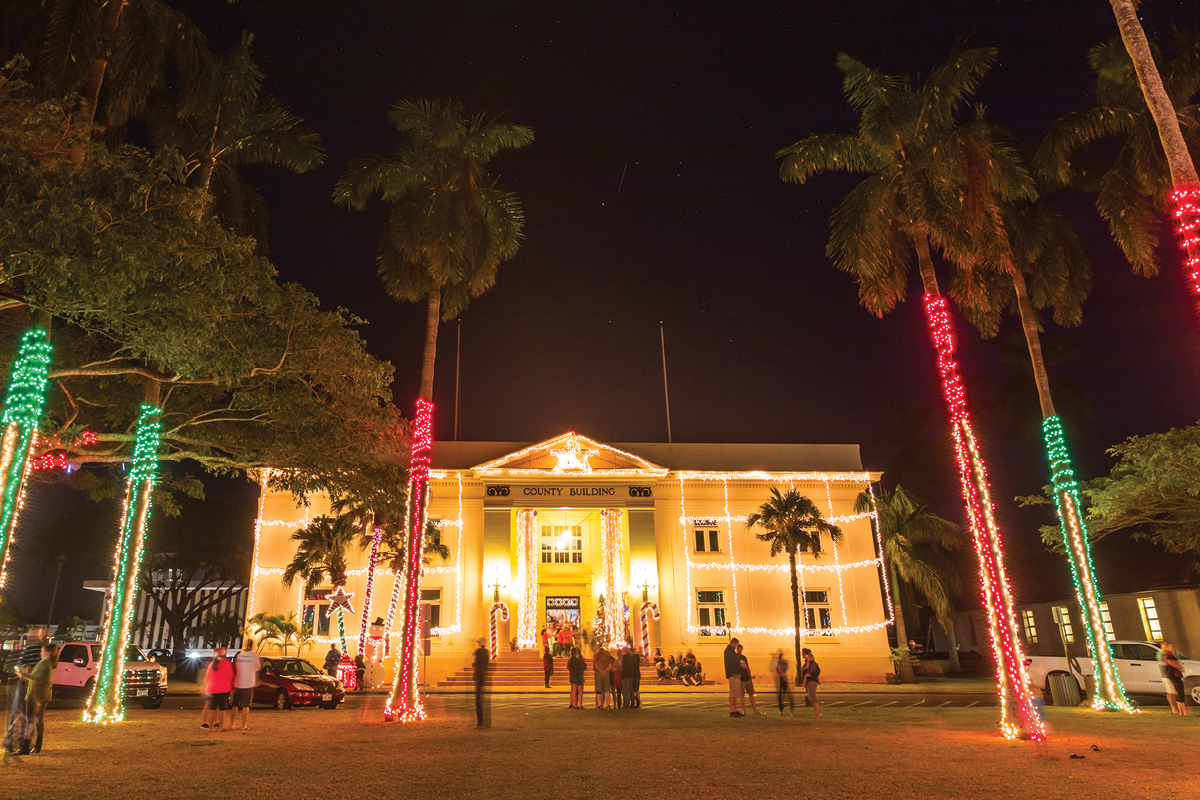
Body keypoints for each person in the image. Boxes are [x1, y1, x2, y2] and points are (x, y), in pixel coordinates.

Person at [3, 625, 48, 755]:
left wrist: (30, 670)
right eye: (30, 635)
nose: (30, 637)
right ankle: (11, 743)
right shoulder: (28, 649)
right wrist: (24, 667)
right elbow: (19, 663)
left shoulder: (43, 650)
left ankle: (24, 744)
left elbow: (43, 667)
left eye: (34, 635)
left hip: (33, 685)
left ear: (40, 635)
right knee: (17, 713)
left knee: (29, 716)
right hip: (23, 683)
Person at [18, 642, 57, 755]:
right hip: (43, 694)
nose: (40, 653)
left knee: (31, 720)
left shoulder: (44, 662)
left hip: (36, 695)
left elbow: (38, 679)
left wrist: (25, 675)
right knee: (38, 720)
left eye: (42, 651)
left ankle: (25, 746)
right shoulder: (51, 662)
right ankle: (37, 745)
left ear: (47, 651)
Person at [230, 642, 261, 731]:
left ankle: (232, 725)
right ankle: (243, 725)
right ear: (252, 646)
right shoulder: (254, 656)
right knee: (246, 705)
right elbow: (257, 668)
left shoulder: (239, 656)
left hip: (238, 683)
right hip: (248, 683)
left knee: (235, 705)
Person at [203, 647, 234, 732]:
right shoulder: (226, 663)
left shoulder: (212, 664)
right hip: (222, 688)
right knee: (222, 709)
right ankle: (221, 726)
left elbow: (207, 676)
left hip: (212, 688)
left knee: (212, 708)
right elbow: (230, 676)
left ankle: (211, 726)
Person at [1160, 643, 1190, 716]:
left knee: (1178, 692)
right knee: (1180, 692)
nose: (1172, 648)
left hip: (1174, 675)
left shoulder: (1168, 655)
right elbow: (1171, 663)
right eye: (1170, 647)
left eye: (1172, 647)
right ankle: (1184, 711)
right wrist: (1179, 667)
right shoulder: (1168, 655)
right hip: (1174, 675)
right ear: (1167, 648)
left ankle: (1181, 711)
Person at [736, 644, 761, 715]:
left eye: (741, 650)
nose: (740, 651)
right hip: (741, 679)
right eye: (739, 650)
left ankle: (755, 709)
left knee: (751, 694)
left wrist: (750, 675)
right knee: (742, 696)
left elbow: (747, 667)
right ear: (737, 649)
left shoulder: (744, 657)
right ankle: (744, 711)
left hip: (747, 678)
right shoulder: (735, 658)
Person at [473, 639, 490, 727]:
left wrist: (476, 671)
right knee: (480, 699)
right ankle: (481, 722)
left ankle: (480, 722)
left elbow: (477, 663)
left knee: (478, 700)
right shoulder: (486, 652)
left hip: (479, 676)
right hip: (482, 675)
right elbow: (486, 663)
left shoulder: (478, 652)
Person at [724, 637, 743, 717]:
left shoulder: (730, 651)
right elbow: (733, 662)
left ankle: (735, 709)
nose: (737, 647)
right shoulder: (729, 651)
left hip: (734, 674)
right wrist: (740, 665)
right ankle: (732, 710)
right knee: (733, 693)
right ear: (734, 643)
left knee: (735, 693)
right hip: (733, 674)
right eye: (737, 645)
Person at [801, 648, 821, 720]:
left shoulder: (809, 663)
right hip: (813, 681)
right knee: (812, 697)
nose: (801, 655)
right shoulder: (813, 663)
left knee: (813, 698)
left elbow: (816, 672)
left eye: (802, 653)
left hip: (811, 681)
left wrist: (803, 670)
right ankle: (816, 715)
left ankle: (817, 716)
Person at [776, 649, 794, 714]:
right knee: (783, 695)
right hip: (782, 679)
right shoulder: (780, 662)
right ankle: (783, 709)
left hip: (784, 679)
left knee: (785, 696)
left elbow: (782, 670)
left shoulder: (783, 662)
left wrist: (784, 677)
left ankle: (787, 709)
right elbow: (778, 670)